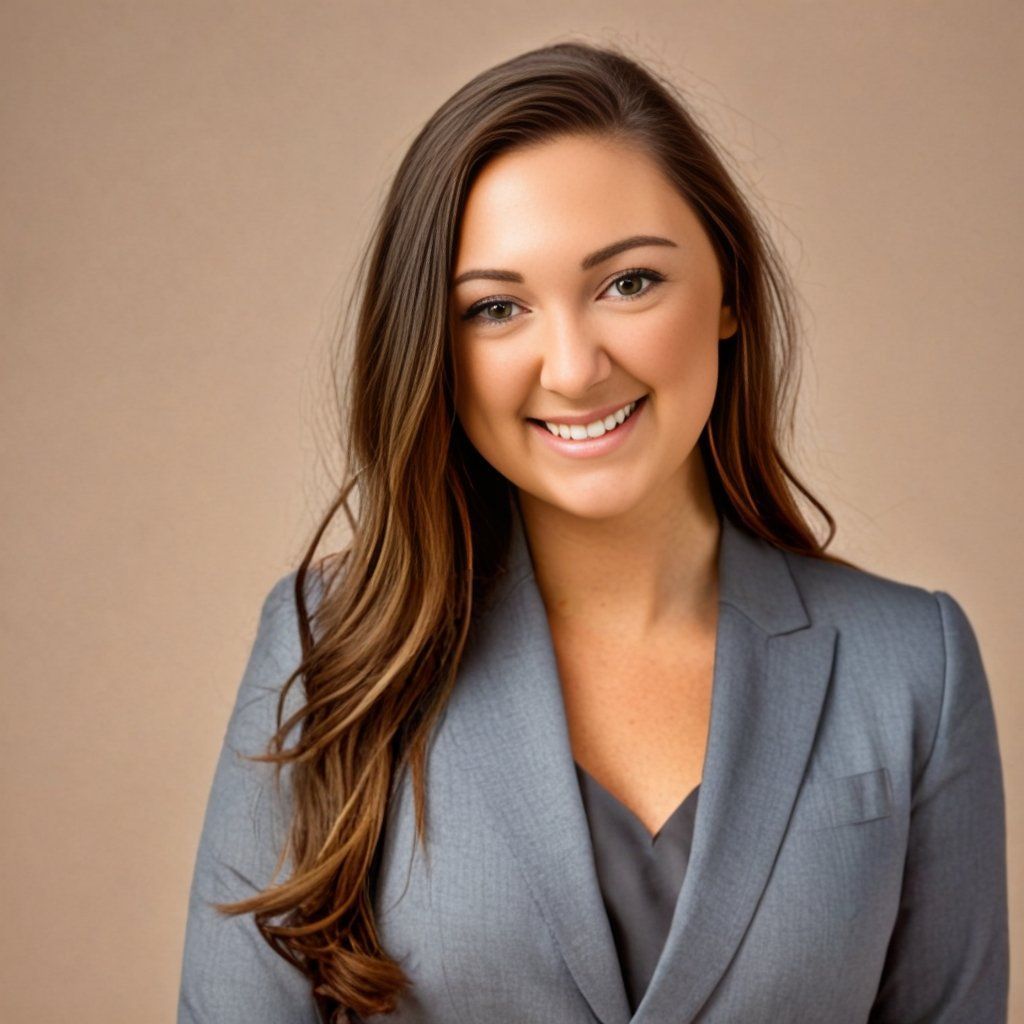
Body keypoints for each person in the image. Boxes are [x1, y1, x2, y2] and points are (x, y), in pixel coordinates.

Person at [177, 40, 1009, 1024]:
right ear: (435, 351)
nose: (571, 367)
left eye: (628, 284)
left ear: (730, 288)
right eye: (495, 308)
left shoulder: (912, 664)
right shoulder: (327, 650)